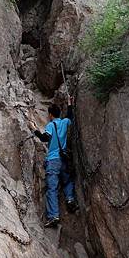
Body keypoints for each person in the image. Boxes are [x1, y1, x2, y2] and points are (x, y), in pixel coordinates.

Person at [30, 96, 78, 227]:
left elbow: (45, 138)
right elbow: (70, 116)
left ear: (50, 115)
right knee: (67, 180)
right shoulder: (64, 122)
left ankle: (53, 216)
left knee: (52, 188)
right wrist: (69, 104)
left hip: (53, 160)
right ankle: (70, 199)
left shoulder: (51, 125)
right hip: (64, 159)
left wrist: (35, 130)